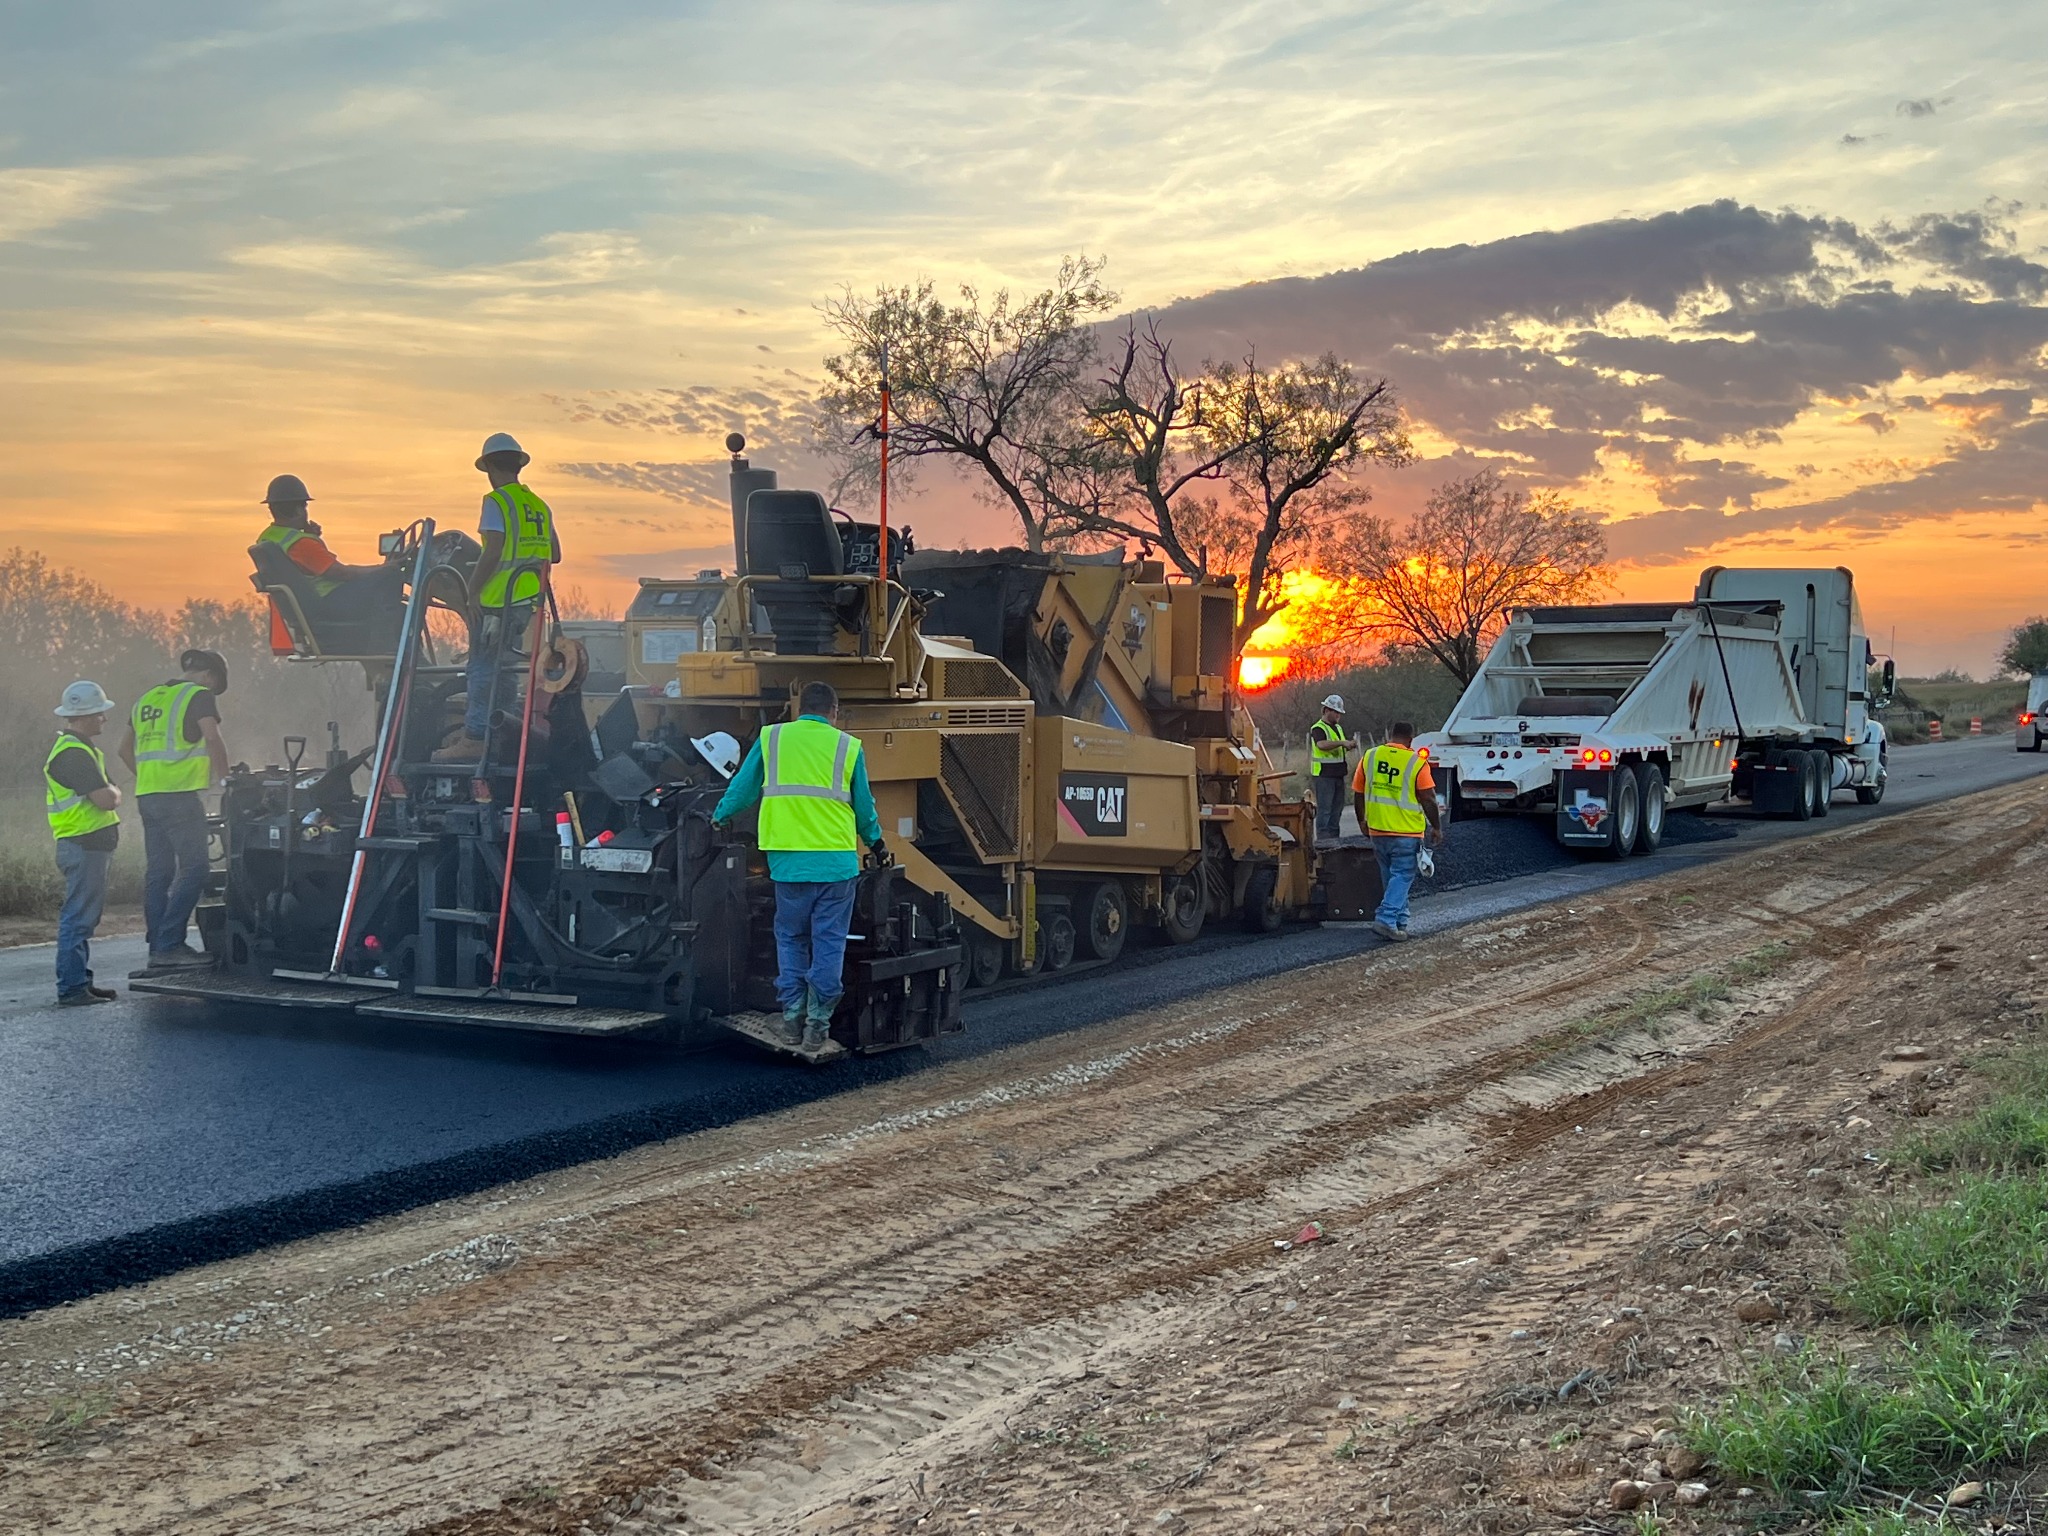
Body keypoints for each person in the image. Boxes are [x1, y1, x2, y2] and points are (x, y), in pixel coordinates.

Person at [711, 681, 886, 1050]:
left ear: (798, 709)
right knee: (829, 941)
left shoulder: (772, 738)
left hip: (788, 861)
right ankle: (818, 1025)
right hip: (837, 864)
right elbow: (864, 808)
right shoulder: (847, 746)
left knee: (791, 937)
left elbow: (742, 790)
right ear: (834, 712)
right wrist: (877, 844)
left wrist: (719, 816)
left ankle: (792, 1017)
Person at [119, 649, 230, 971]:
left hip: (148, 796)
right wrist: (227, 782)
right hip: (179, 797)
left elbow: (123, 749)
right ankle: (170, 945)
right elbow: (213, 738)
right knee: (196, 869)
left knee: (159, 872)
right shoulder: (198, 695)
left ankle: (158, 947)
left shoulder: (148, 698)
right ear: (210, 676)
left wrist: (150, 778)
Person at [452, 432, 561, 753]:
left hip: (496, 602)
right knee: (507, 667)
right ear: (518, 466)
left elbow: (493, 550)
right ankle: (504, 730)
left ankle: (474, 738)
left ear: (489, 469)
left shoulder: (496, 502)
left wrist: (471, 591)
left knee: (482, 667)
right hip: (526, 602)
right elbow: (554, 553)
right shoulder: (539, 506)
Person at [44, 682, 124, 1006]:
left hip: (86, 845)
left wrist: (111, 791)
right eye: (100, 713)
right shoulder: (74, 754)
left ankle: (80, 982)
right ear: (86, 716)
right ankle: (72, 988)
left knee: (83, 918)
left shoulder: (79, 749)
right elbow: (107, 798)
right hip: (83, 845)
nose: (104, 718)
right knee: (78, 918)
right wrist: (114, 793)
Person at [254, 474, 387, 654]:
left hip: (313, 609)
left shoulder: (268, 538)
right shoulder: (301, 544)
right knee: (390, 585)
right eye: (304, 506)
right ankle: (390, 649)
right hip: (330, 604)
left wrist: (311, 537)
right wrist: (385, 569)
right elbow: (342, 573)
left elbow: (304, 568)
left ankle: (390, 654)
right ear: (300, 510)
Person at [1353, 720, 1443, 942]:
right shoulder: (1416, 762)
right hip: (1405, 831)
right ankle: (1386, 919)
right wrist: (1437, 826)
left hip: (1377, 830)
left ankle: (1399, 922)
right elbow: (1428, 798)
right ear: (1411, 739)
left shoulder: (1370, 756)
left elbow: (1357, 792)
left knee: (1390, 877)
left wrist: (1362, 821)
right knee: (1402, 875)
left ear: (1390, 735)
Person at [1307, 694, 1356, 842]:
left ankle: (1334, 841)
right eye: (1336, 712)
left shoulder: (1338, 728)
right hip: (1324, 775)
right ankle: (1323, 842)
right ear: (1326, 710)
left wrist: (1348, 745)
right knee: (1325, 811)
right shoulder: (1318, 728)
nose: (1338, 715)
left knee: (1336, 811)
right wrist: (1342, 743)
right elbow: (1321, 744)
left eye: (1339, 713)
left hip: (1338, 775)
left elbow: (1337, 748)